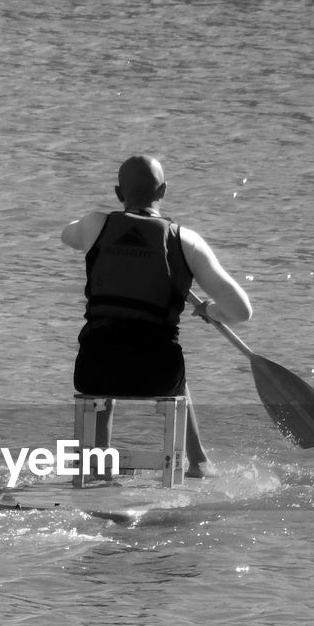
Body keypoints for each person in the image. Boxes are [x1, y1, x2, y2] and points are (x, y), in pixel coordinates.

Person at [61, 155, 252, 477]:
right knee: (169, 359)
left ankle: (99, 467)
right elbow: (241, 311)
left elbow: (67, 235)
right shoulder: (186, 241)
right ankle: (199, 462)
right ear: (163, 190)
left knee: (107, 345)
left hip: (94, 371)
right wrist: (210, 310)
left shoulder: (95, 224)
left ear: (119, 193)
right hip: (158, 374)